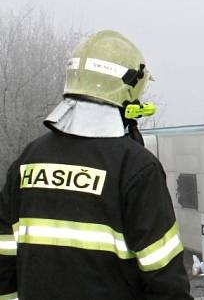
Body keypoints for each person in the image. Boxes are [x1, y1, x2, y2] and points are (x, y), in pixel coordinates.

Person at [0, 30, 192, 299]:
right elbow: (165, 278)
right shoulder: (136, 167)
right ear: (128, 91)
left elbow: (4, 263)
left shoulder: (29, 159)